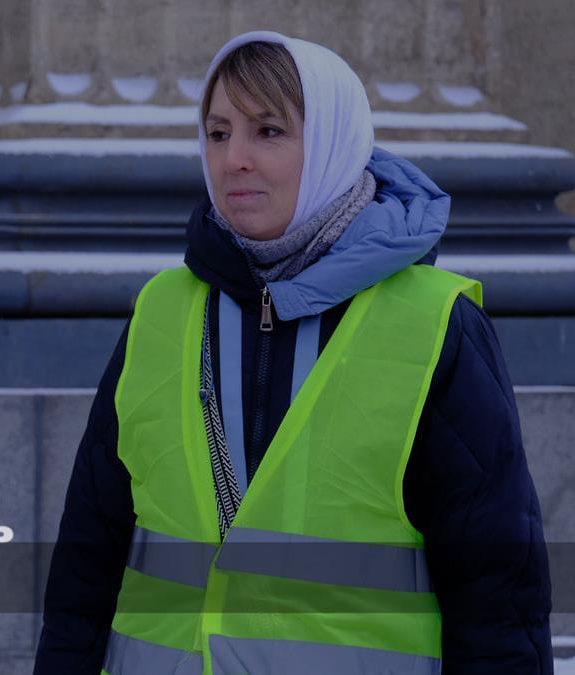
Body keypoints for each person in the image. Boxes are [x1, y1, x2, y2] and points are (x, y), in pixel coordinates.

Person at [35, 31, 552, 674]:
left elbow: (497, 591)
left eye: (269, 131)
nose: (234, 159)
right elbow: (90, 552)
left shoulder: (433, 321)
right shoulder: (162, 308)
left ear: (333, 144)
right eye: (218, 133)